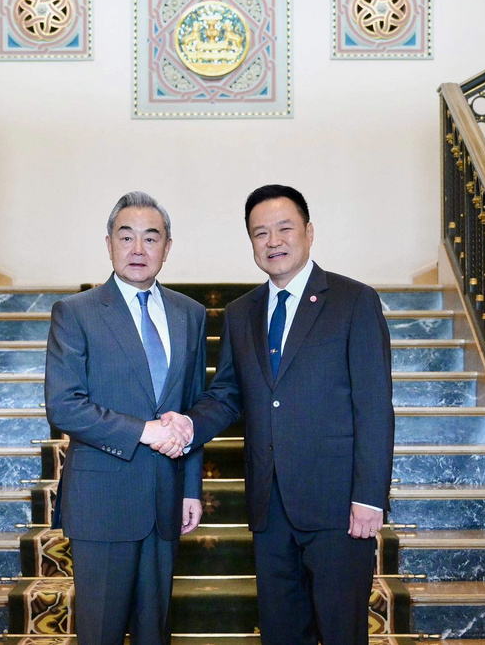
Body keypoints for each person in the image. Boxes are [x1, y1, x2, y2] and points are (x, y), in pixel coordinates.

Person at [160, 184, 395, 645]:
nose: (273, 241)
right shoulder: (240, 313)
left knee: (342, 632)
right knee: (281, 631)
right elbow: (228, 394)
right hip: (269, 506)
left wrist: (370, 496)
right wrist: (188, 424)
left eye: (284, 228)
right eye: (260, 233)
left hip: (338, 506)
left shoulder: (353, 301)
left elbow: (373, 405)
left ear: (309, 232)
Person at [44, 191, 205, 645]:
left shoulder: (190, 314)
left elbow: (194, 407)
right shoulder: (76, 312)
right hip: (102, 502)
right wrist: (145, 431)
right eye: (126, 236)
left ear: (167, 247)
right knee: (101, 633)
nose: (138, 249)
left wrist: (191, 488)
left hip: (166, 499)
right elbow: (64, 405)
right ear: (109, 243)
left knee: (156, 633)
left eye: (151, 238)